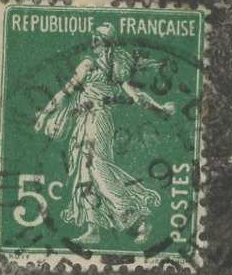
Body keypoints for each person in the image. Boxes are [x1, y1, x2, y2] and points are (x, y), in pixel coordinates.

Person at [33, 22, 176, 243]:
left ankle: (138, 218)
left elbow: (135, 94)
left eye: (97, 39)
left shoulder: (115, 68)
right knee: (83, 173)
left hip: (99, 121)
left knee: (97, 169)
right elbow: (65, 92)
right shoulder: (87, 65)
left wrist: (159, 107)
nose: (93, 43)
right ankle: (93, 229)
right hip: (82, 121)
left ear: (107, 43)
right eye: (93, 38)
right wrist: (44, 115)